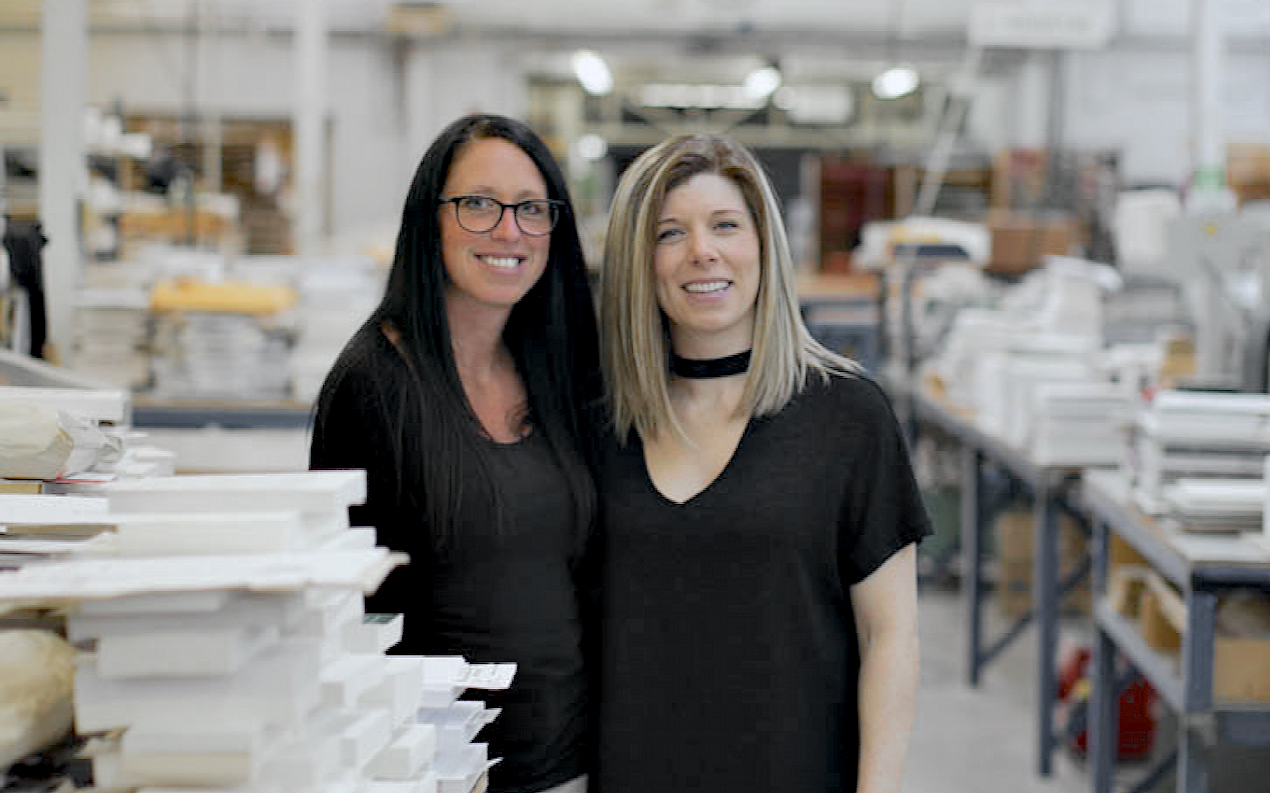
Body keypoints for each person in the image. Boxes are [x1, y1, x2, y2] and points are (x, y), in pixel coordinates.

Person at [595, 133, 932, 793]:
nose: (702, 251)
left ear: (763, 245)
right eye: (669, 233)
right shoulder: (601, 422)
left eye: (726, 225)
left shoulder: (847, 416)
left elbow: (891, 634)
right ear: (640, 260)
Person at [309, 114, 599, 793]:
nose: (509, 230)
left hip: (565, 763)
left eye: (532, 209)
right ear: (429, 218)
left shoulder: (558, 373)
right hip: (435, 771)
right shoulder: (374, 384)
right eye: (478, 205)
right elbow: (343, 604)